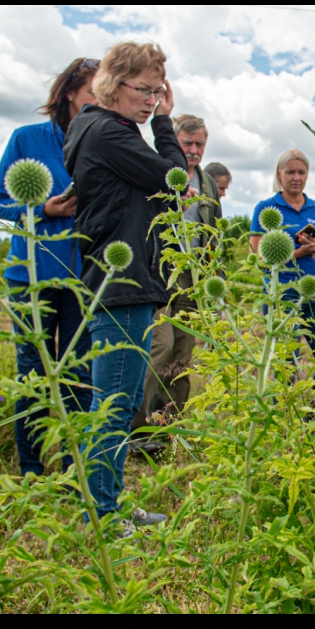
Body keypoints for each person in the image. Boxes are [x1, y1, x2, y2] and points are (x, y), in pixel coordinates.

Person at [63, 42, 186, 525]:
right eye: (145, 90)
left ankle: (109, 502)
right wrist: (165, 125)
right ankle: (101, 516)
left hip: (128, 279)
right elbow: (175, 180)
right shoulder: (107, 132)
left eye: (158, 93)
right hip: (121, 282)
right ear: (114, 85)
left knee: (123, 400)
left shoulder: (102, 131)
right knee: (113, 406)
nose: (152, 101)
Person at [0, 58, 99, 477]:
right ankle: (32, 471)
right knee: (32, 375)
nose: (99, 102)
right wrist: (41, 210)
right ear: (69, 93)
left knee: (78, 375)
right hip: (30, 276)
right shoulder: (26, 138)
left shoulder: (100, 141)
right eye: (92, 93)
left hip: (81, 276)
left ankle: (73, 472)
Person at [132, 115, 223, 451]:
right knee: (160, 346)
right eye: (187, 143)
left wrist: (215, 276)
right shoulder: (158, 171)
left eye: (200, 144)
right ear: (174, 141)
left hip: (193, 275)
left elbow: (213, 232)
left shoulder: (207, 183)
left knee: (183, 355)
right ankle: (139, 430)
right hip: (158, 270)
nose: (194, 150)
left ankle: (169, 428)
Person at [250, 149, 315, 382]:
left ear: (307, 175)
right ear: (279, 173)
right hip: (281, 294)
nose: (296, 178)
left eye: (301, 172)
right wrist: (300, 251)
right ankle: (283, 404)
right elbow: (259, 259)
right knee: (286, 364)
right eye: (290, 172)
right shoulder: (265, 208)